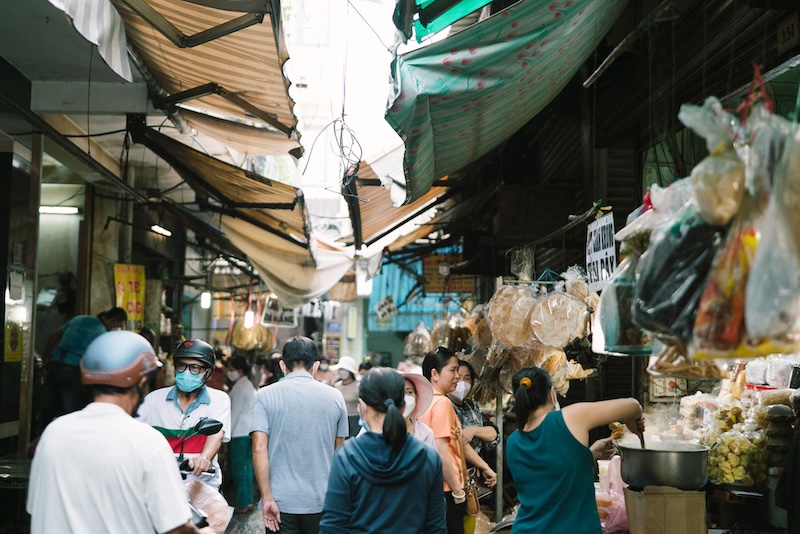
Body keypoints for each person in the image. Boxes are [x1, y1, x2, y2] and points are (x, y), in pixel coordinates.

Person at [27, 330, 214, 534]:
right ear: (142, 383)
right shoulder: (146, 441)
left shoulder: (53, 434)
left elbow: (36, 508)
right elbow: (176, 529)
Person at [505, 367, 645, 534]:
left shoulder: (513, 441)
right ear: (552, 394)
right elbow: (633, 405)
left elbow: (548, 475)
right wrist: (632, 422)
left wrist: (589, 454)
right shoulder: (570, 417)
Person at [319, 367, 447, 533]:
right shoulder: (428, 457)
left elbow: (333, 526)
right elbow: (436, 527)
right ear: (403, 406)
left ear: (363, 406)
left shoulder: (347, 456)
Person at [251, 336, 349, 533]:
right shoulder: (336, 397)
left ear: (282, 365)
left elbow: (259, 448)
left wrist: (267, 497)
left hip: (280, 503)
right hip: (323, 501)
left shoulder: (264, 396)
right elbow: (340, 452)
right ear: (316, 365)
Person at [138, 338, 231, 491]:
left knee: (216, 514)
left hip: (202, 485)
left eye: (194, 368)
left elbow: (216, 435)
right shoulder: (153, 400)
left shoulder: (219, 400)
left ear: (207, 372)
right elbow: (136, 434)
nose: (186, 372)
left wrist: (204, 458)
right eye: (182, 366)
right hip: (161, 483)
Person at [420, 347, 480, 534]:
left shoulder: (423, 401)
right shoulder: (442, 403)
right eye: (453, 370)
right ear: (435, 374)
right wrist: (458, 491)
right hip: (447, 488)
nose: (458, 377)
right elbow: (442, 450)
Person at [40, 306, 128, 426]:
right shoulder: (101, 333)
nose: (114, 329)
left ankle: (40, 439)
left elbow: (53, 337)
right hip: (72, 373)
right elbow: (98, 362)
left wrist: (44, 358)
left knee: (47, 411)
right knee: (72, 414)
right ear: (113, 320)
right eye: (117, 325)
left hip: (54, 368)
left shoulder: (78, 319)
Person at [227, 355, 257, 514]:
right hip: (248, 432)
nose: (228, 372)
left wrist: (226, 435)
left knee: (239, 469)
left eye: (230, 369)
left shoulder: (240, 387)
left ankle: (242, 503)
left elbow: (235, 412)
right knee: (246, 469)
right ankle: (248, 501)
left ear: (238, 370)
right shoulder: (247, 384)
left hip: (239, 433)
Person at [400, 371, 436, 446]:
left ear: (416, 396)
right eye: (399, 393)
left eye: (409, 392)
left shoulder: (425, 433)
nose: (404, 398)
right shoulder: (378, 431)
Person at [331, 356, 360, 437]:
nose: (342, 372)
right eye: (340, 369)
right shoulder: (336, 386)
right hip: (339, 419)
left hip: (354, 419)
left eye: (344, 370)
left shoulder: (358, 386)